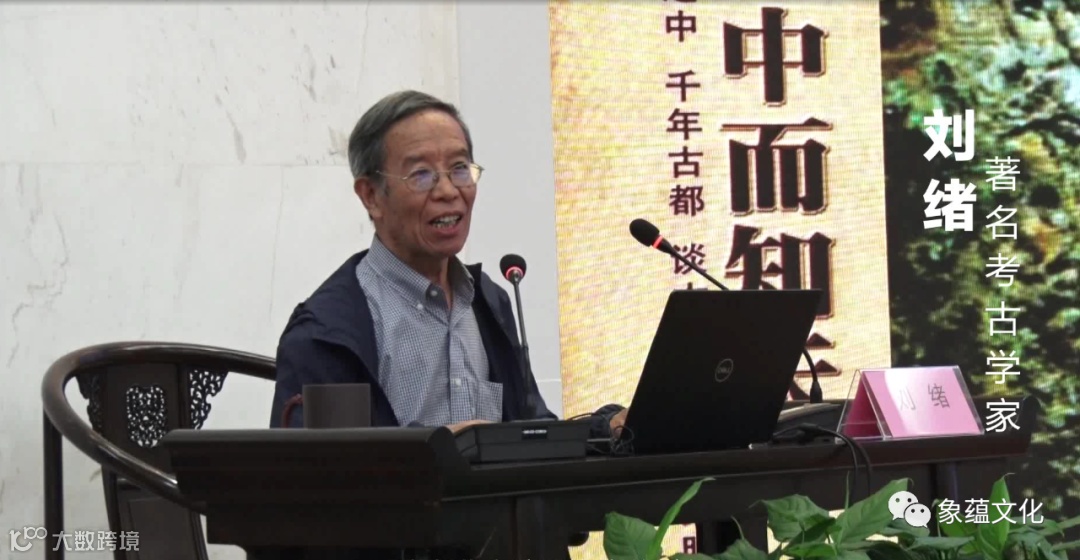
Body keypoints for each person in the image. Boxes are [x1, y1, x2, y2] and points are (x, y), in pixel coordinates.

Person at [258, 90, 627, 559]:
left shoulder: (489, 302)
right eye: (421, 174)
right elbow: (314, 494)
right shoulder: (328, 331)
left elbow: (530, 435)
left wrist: (607, 430)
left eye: (459, 168)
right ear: (371, 195)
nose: (449, 190)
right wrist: (433, 450)